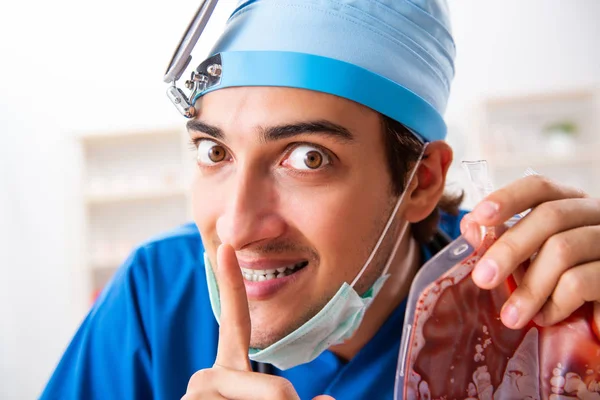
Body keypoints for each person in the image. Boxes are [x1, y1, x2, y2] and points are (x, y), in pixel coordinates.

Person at [41, 1, 600, 399]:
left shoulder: (525, 312)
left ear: (422, 180)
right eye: (215, 152)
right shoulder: (159, 292)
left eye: (307, 158)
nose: (235, 228)